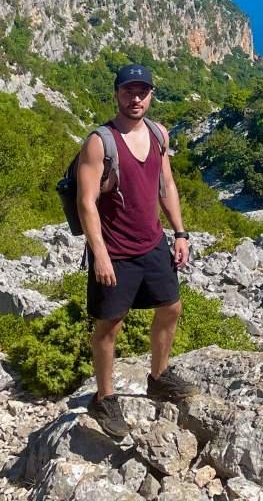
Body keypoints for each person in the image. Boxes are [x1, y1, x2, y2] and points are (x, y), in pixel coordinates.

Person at [76, 63, 197, 438]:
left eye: (142, 91)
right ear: (116, 94)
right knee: (109, 324)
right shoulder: (100, 142)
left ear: (151, 95)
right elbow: (86, 203)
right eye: (129, 91)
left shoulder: (159, 134)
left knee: (171, 307)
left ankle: (158, 377)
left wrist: (180, 232)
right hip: (116, 251)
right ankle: (104, 397)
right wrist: (99, 254)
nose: (136, 98)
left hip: (152, 243)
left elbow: (167, 185)